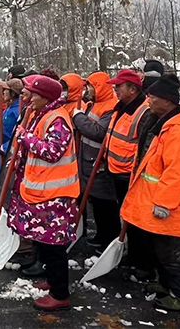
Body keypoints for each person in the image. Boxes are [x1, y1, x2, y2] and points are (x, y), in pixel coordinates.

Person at [121, 73, 180, 312]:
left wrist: (165, 203)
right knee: (162, 250)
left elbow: (178, 172)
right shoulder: (166, 125)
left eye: (152, 97)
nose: (148, 101)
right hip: (157, 201)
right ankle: (166, 285)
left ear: (167, 101)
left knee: (172, 253)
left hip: (171, 206)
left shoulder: (178, 132)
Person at [7, 74, 80, 312]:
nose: (29, 98)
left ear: (45, 97)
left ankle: (61, 294)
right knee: (45, 241)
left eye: (33, 94)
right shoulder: (41, 115)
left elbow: (52, 151)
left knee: (54, 245)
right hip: (44, 192)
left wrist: (25, 137)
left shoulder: (57, 119)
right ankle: (52, 279)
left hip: (57, 194)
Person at [105, 68, 157, 277]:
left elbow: (145, 146)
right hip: (117, 171)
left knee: (138, 222)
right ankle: (134, 255)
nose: (115, 90)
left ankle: (145, 263)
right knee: (127, 217)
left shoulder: (144, 113)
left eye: (119, 86)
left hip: (131, 175)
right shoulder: (121, 108)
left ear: (133, 89)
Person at [72, 71, 120, 249]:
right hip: (88, 158)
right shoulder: (93, 104)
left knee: (104, 203)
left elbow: (98, 132)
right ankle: (101, 235)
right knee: (97, 201)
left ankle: (109, 237)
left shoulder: (110, 107)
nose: (87, 90)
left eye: (90, 86)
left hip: (99, 161)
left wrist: (78, 117)